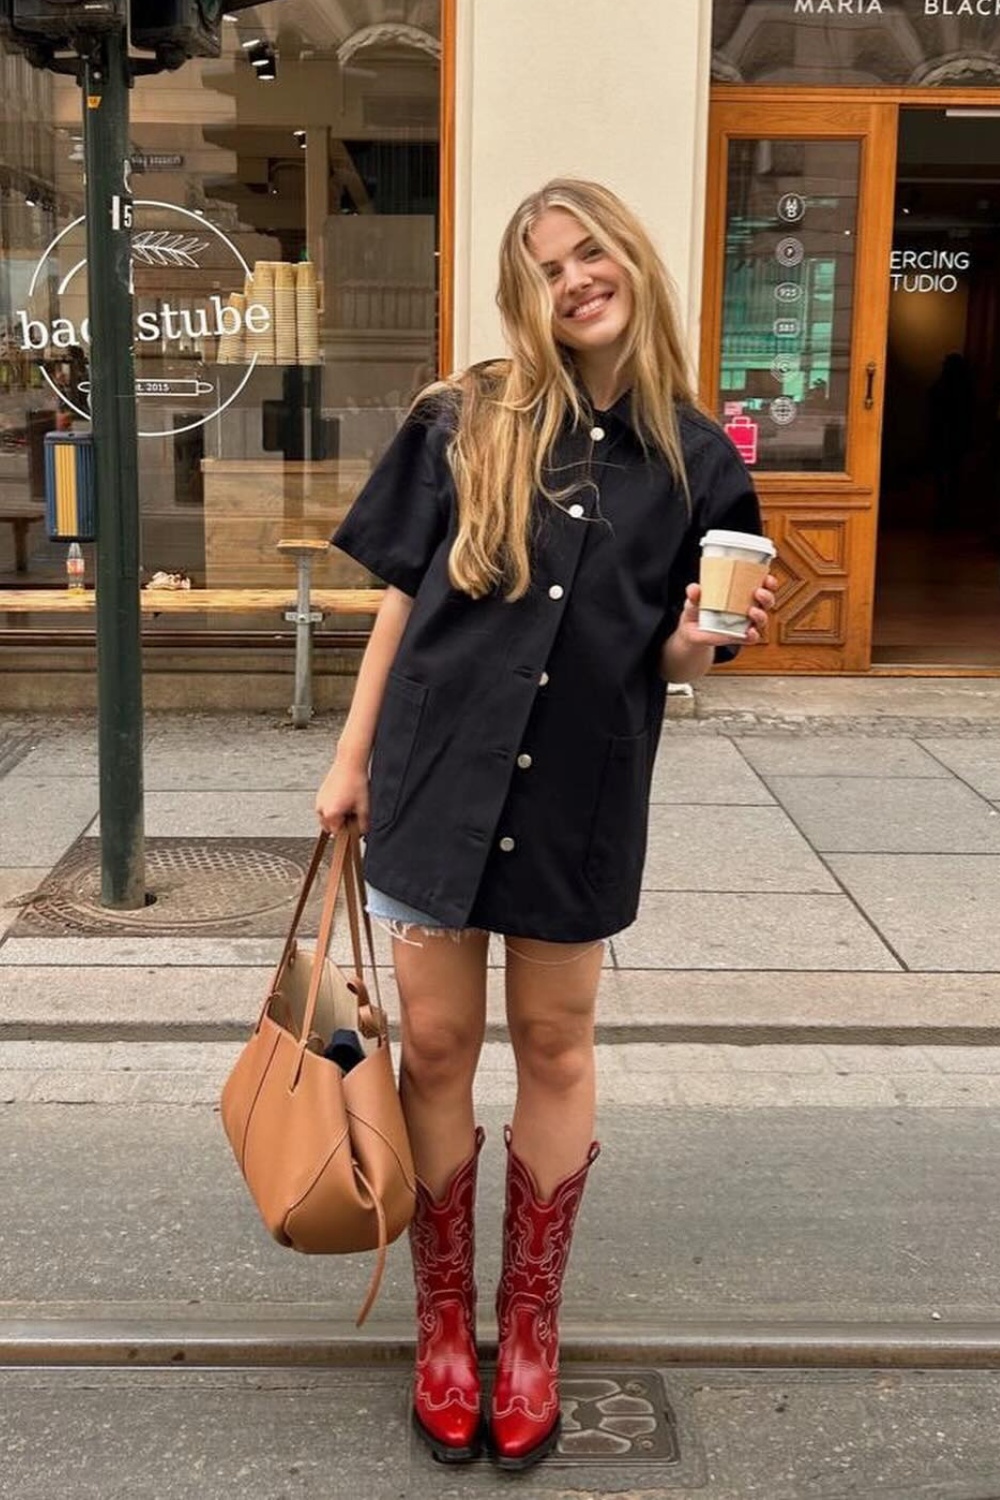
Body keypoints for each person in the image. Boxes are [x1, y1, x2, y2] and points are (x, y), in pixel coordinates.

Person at [316, 178, 776, 1471]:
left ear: (632, 256)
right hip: (437, 775)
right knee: (443, 1046)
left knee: (558, 1047)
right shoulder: (462, 421)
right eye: (545, 266)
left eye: (591, 251)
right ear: (525, 297)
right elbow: (403, 606)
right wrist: (350, 760)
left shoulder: (701, 462)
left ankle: (531, 1332)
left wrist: (692, 646)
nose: (575, 278)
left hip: (580, 793)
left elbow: (689, 654)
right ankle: (443, 1327)